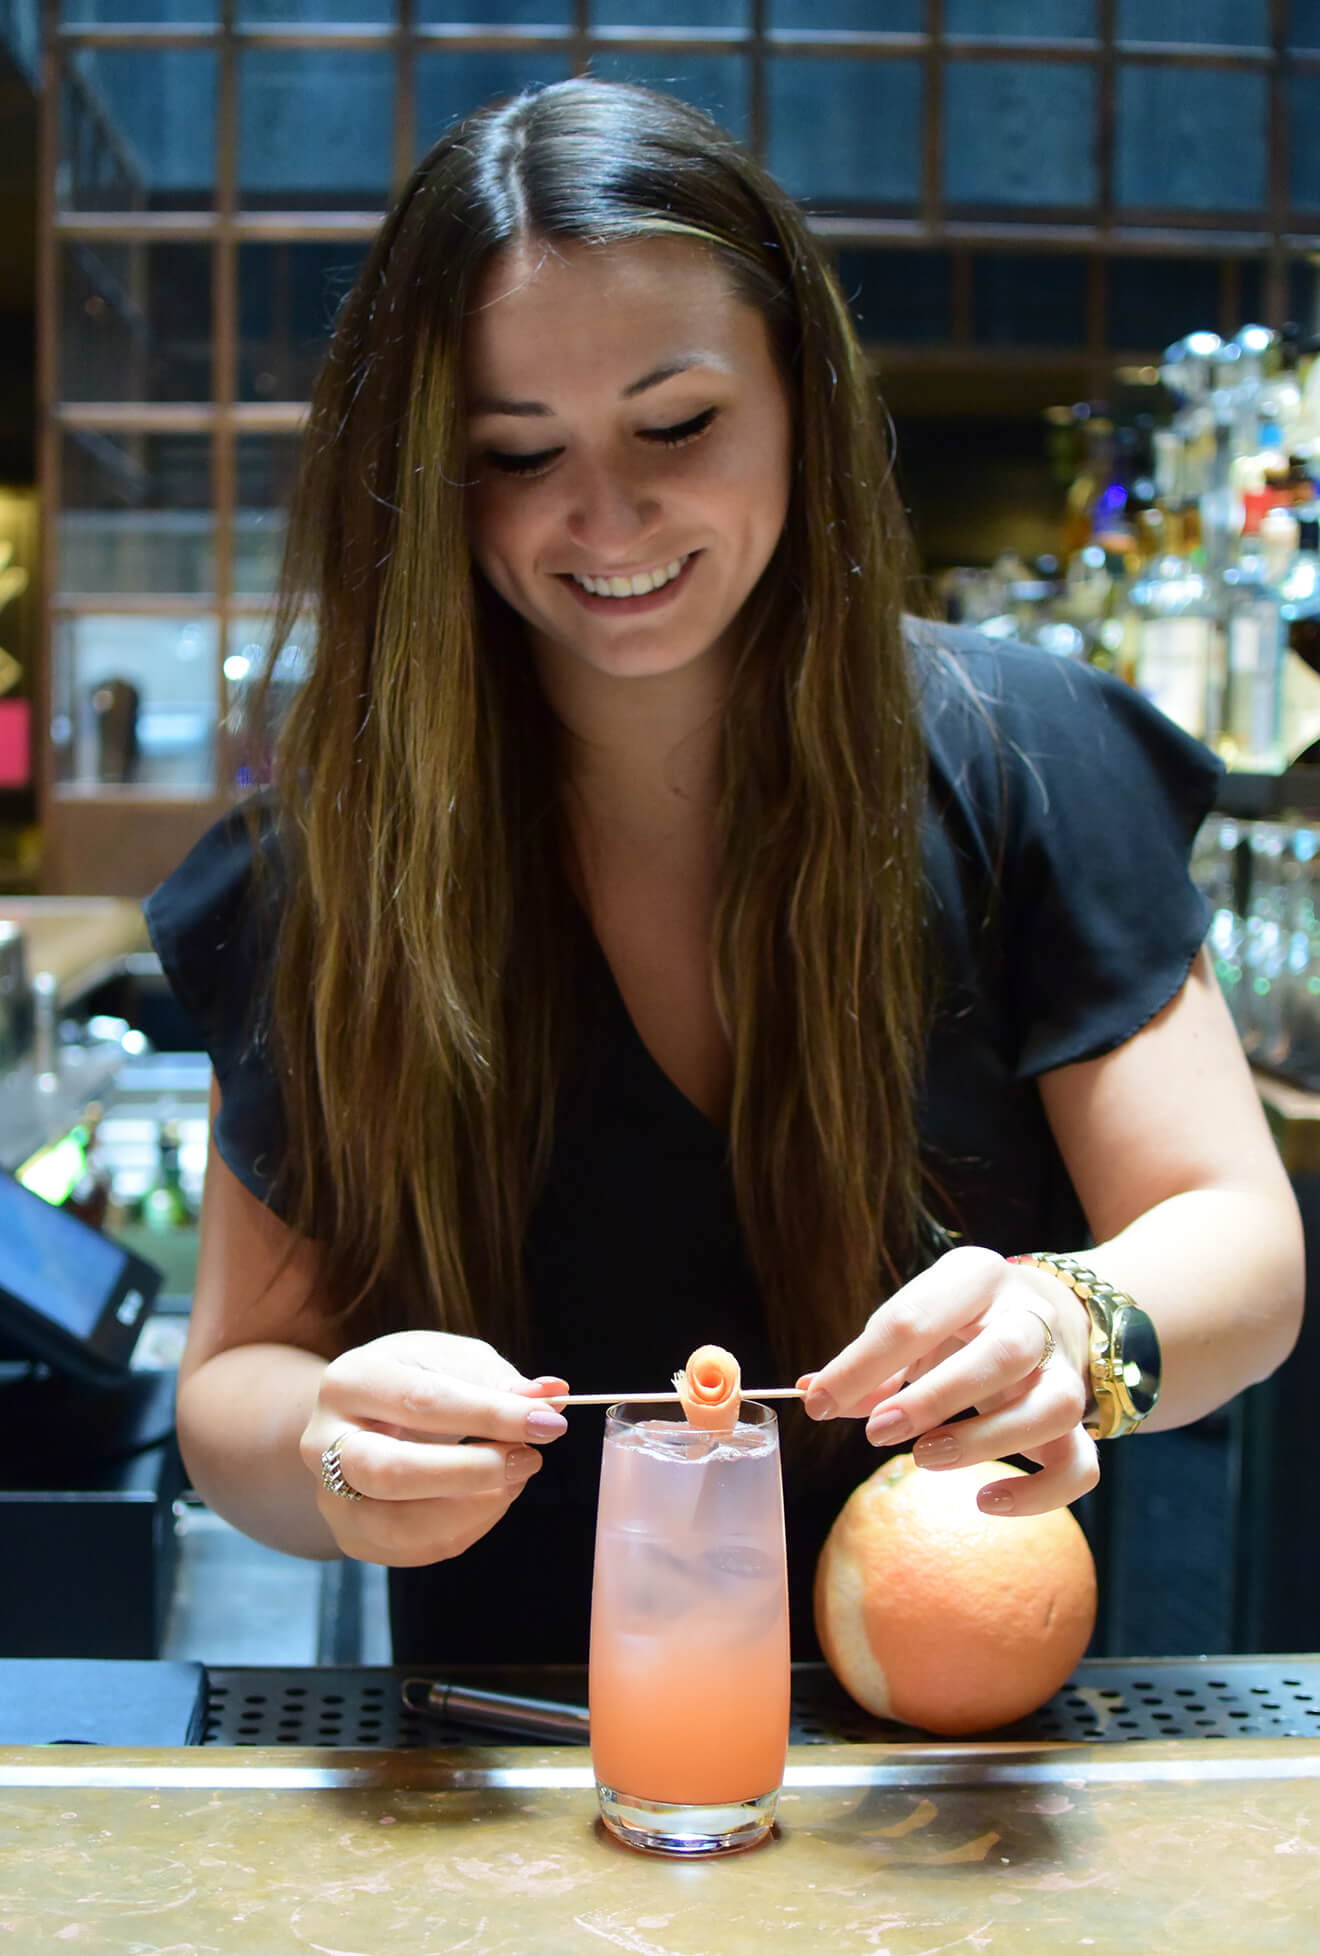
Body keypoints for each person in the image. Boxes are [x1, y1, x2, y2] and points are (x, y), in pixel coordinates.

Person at [145, 78, 1304, 1665]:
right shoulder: (328, 872)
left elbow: (1237, 1242)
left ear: (798, 394)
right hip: (502, 1749)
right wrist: (332, 1452)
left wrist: (1069, 1321)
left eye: (678, 425)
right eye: (515, 452)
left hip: (963, 1746)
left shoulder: (1027, 754)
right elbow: (235, 1389)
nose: (607, 515)